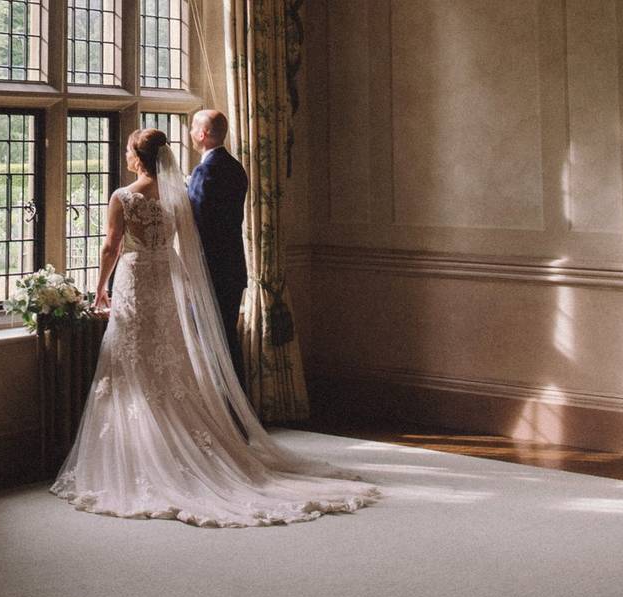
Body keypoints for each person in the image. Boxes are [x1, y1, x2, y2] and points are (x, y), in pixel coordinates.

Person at [50, 128, 378, 527]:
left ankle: (148, 455)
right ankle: (175, 444)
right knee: (168, 358)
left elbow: (111, 246)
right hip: (165, 279)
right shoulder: (178, 197)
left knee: (133, 361)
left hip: (135, 280)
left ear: (137, 157)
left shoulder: (123, 197)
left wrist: (100, 288)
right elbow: (189, 245)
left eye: (128, 150)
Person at [187, 110, 248, 386]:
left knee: (211, 342)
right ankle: (239, 408)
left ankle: (223, 408)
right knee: (228, 340)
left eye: (192, 128)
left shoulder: (205, 171)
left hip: (212, 269)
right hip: (233, 267)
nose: (189, 133)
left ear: (202, 134)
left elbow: (197, 220)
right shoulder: (236, 168)